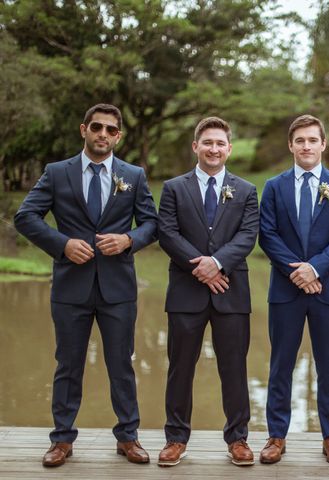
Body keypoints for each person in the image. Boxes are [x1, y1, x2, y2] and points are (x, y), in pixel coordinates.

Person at [14, 103, 158, 467]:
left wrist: (128, 240)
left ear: (118, 136)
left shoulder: (134, 176)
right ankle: (62, 439)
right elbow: (25, 216)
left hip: (118, 289)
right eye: (97, 127)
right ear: (84, 129)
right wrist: (61, 244)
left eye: (111, 130)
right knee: (67, 364)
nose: (103, 135)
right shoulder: (57, 172)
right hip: (70, 288)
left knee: (121, 364)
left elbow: (152, 224)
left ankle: (128, 436)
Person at [156, 116, 258, 467]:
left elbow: (247, 235)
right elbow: (167, 233)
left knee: (234, 368)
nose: (213, 149)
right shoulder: (173, 188)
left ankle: (238, 439)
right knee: (180, 368)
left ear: (228, 149)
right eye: (207, 142)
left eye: (220, 143)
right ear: (195, 146)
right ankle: (175, 438)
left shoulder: (245, 190)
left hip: (231, 290)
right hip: (186, 292)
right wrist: (199, 268)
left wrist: (217, 263)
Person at [258, 114, 329, 466]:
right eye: (299, 140)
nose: (306, 146)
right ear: (291, 145)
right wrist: (297, 272)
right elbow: (267, 235)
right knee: (280, 364)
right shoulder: (274, 186)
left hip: (328, 290)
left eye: (312, 140)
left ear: (322, 144)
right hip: (285, 292)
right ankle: (276, 436)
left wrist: (315, 268)